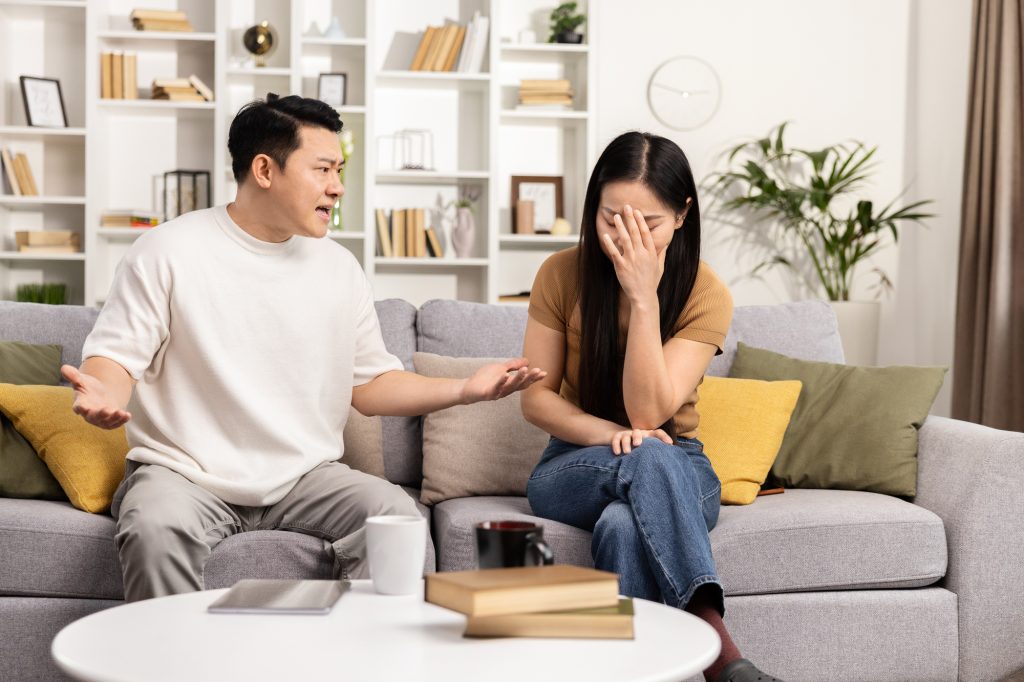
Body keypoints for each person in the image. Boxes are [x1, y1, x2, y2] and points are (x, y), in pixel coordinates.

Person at [62, 94, 545, 603]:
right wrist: (102, 392)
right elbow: (115, 360)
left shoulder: (338, 267)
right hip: (184, 474)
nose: (337, 187)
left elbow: (371, 384)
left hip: (304, 477)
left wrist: (465, 389)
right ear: (265, 169)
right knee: (153, 528)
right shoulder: (167, 251)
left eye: (339, 170)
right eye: (323, 170)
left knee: (396, 518)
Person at [521, 131, 781, 682]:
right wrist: (608, 434)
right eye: (611, 218)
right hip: (575, 460)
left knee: (621, 523)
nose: (625, 239)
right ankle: (722, 655)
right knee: (644, 456)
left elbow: (649, 417)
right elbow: (537, 399)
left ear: (683, 215)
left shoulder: (705, 293)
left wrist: (643, 297)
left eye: (648, 225)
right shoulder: (559, 275)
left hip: (677, 459)